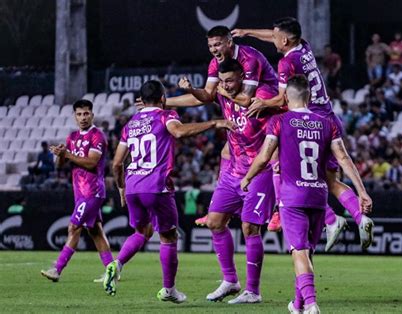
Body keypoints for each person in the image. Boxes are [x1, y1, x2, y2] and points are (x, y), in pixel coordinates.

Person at [231, 17, 374, 251]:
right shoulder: (304, 47)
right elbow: (276, 34)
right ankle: (359, 218)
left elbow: (282, 99)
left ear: (285, 40)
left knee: (280, 165)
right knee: (330, 180)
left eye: (276, 37)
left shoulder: (286, 64)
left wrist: (262, 104)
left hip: (308, 121)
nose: (273, 39)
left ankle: (309, 216)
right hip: (329, 119)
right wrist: (248, 31)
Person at [241, 76, 372, 314]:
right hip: (318, 197)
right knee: (307, 253)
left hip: (292, 198)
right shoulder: (326, 123)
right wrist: (362, 191)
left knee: (298, 252)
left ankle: (311, 304)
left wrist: (247, 178)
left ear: (287, 97)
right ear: (309, 97)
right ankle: (298, 304)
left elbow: (263, 157)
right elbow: (343, 158)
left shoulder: (279, 121)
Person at [106, 80, 234, 299]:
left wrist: (120, 187)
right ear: (162, 99)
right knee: (169, 237)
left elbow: (116, 163)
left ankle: (117, 263)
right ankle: (169, 290)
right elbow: (180, 132)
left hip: (132, 187)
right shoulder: (166, 116)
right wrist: (214, 123)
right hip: (156, 186)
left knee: (142, 232)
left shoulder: (131, 124)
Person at [160, 25, 279, 227]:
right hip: (246, 109)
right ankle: (221, 205)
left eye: (217, 44)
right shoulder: (217, 64)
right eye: (210, 46)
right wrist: (166, 102)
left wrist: (220, 91)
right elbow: (207, 95)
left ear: (229, 42)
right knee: (227, 151)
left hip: (271, 107)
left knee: (274, 156)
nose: (214, 49)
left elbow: (244, 99)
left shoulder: (249, 59)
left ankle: (279, 209)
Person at [189, 59, 276, 304]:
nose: (226, 85)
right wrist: (166, 102)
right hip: (232, 171)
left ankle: (253, 291)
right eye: (222, 81)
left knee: (250, 227)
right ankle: (229, 280)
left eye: (230, 80)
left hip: (260, 170)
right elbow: (200, 97)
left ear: (242, 77)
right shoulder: (222, 94)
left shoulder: (262, 94)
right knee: (215, 222)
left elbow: (279, 112)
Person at [41, 100, 113, 282]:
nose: (83, 117)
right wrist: (59, 155)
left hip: (93, 191)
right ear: (74, 116)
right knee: (95, 231)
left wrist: (68, 154)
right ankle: (112, 271)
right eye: (79, 114)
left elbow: (92, 162)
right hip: (79, 192)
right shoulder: (72, 137)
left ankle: (57, 269)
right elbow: (61, 165)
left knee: (73, 227)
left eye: (86, 113)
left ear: (92, 115)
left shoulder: (98, 136)